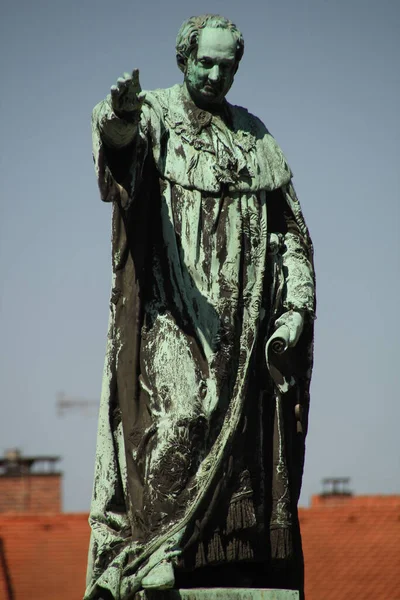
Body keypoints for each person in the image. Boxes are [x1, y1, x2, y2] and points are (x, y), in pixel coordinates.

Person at [85, 14, 315, 600]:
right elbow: (119, 160)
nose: (214, 74)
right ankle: (154, 550)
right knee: (176, 419)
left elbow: (290, 235)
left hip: (241, 326)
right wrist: (119, 120)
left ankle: (214, 561)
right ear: (182, 59)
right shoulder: (154, 115)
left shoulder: (255, 138)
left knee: (239, 441)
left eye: (226, 65)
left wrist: (292, 307)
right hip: (168, 310)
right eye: (204, 62)